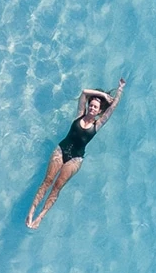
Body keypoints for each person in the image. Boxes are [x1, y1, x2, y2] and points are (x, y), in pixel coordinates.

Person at [27, 78, 125, 229]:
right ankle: (32, 211)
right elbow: (84, 92)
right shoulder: (79, 114)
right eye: (91, 106)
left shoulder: (97, 124)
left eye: (95, 108)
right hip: (61, 151)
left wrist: (120, 90)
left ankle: (40, 217)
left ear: (99, 111)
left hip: (75, 160)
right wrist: (103, 95)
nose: (92, 109)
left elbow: (112, 108)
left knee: (56, 187)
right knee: (47, 181)